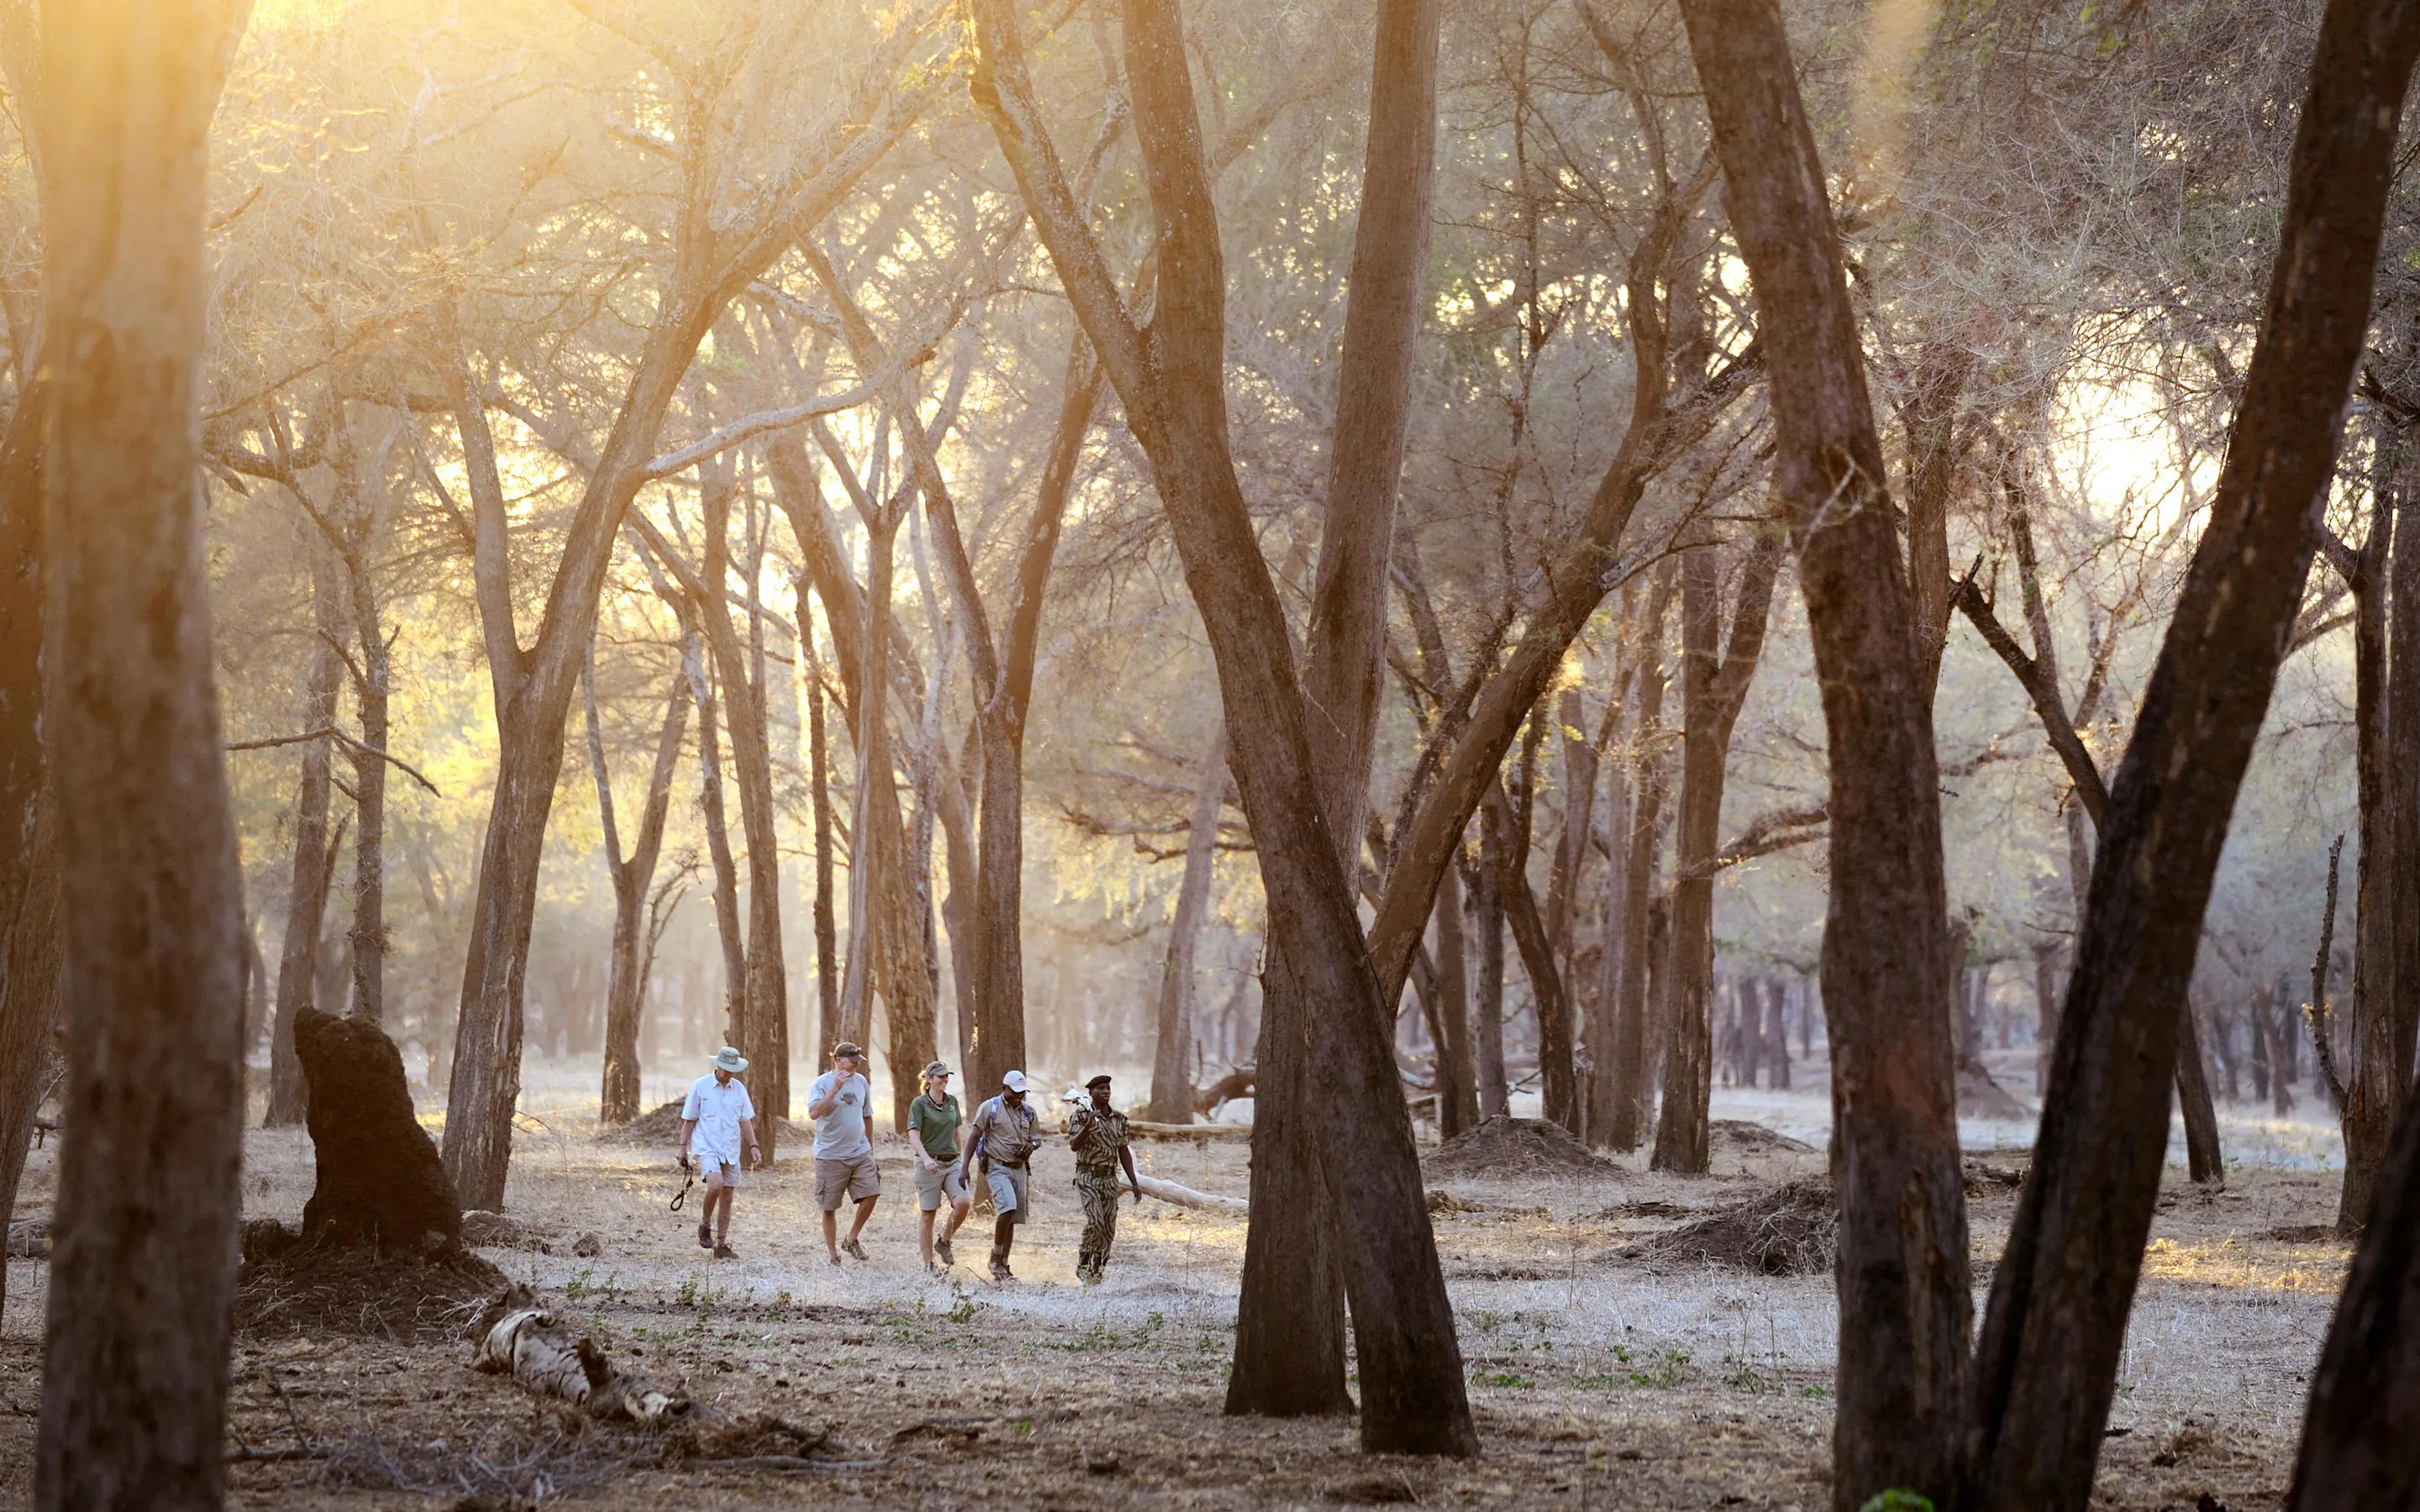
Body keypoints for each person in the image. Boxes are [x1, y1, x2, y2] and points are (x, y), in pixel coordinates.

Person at [956, 1068, 1042, 1282]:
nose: (1018, 1096)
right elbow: (974, 1136)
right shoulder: (990, 1108)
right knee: (1008, 1207)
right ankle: (995, 1256)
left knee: (1012, 1218)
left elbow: (1037, 1139)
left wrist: (1030, 1146)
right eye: (1014, 1092)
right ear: (1004, 1088)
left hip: (1019, 1168)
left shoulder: (1028, 1112)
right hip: (997, 1166)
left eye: (1022, 1092)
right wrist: (964, 1167)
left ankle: (1003, 1263)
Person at [677, 1046, 760, 1260]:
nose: (727, 1073)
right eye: (724, 1068)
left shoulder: (739, 1089)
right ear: (717, 1065)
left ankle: (721, 1245)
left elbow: (745, 1120)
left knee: (727, 1197)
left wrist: (753, 1145)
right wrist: (682, 1147)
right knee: (715, 1184)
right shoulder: (701, 1086)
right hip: (707, 1146)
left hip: (731, 1148)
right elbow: (690, 1119)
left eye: (732, 1069)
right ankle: (705, 1224)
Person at [807, 1041, 880, 1265]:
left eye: (858, 1062)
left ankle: (851, 1238)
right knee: (829, 1208)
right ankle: (833, 1256)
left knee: (872, 1193)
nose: (855, 1066)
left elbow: (867, 1115)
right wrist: (835, 1088)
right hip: (830, 1155)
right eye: (851, 1061)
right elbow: (814, 1113)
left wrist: (869, 1146)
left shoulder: (861, 1083)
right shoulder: (822, 1083)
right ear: (837, 1060)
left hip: (859, 1152)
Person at [1067, 1073, 1141, 1284]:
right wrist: (1087, 1127)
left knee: (1109, 1229)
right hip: (1087, 1176)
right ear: (1090, 1093)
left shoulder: (1119, 1119)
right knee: (1095, 1222)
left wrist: (1134, 1183)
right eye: (1100, 1089)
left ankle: (1097, 1273)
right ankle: (1083, 1264)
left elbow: (1123, 1150)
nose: (1106, 1092)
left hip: (1109, 1179)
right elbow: (1074, 1145)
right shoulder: (1081, 1115)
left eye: (1108, 1088)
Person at [908, 1061, 971, 1273]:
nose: (944, 1079)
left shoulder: (952, 1102)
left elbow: (956, 1132)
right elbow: (913, 1135)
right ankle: (928, 1264)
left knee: (962, 1203)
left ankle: (944, 1241)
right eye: (940, 1076)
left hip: (952, 1161)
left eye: (946, 1076)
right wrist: (925, 1158)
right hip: (928, 1163)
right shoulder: (919, 1104)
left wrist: (960, 1160)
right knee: (928, 1214)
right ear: (928, 1079)